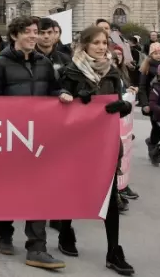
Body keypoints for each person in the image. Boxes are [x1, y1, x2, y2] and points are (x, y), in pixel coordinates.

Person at [0, 15, 68, 270]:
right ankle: (5, 233)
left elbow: (52, 90)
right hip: (10, 137)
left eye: (35, 31)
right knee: (6, 189)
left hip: (37, 138)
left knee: (39, 191)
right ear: (15, 36)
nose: (34, 35)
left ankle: (37, 247)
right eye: (28, 32)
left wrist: (60, 94)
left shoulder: (45, 64)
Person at [58, 25, 135, 275]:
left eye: (104, 43)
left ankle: (114, 250)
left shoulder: (112, 73)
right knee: (72, 190)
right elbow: (59, 101)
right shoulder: (71, 71)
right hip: (77, 143)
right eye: (97, 43)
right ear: (85, 46)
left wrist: (122, 106)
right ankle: (66, 230)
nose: (102, 47)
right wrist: (73, 97)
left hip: (106, 142)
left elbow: (120, 103)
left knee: (109, 197)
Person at [138, 44, 160, 165]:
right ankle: (153, 149)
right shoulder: (146, 67)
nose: (158, 55)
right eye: (155, 53)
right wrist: (145, 104)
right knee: (157, 127)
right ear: (151, 55)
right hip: (152, 102)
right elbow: (142, 87)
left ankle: (152, 143)